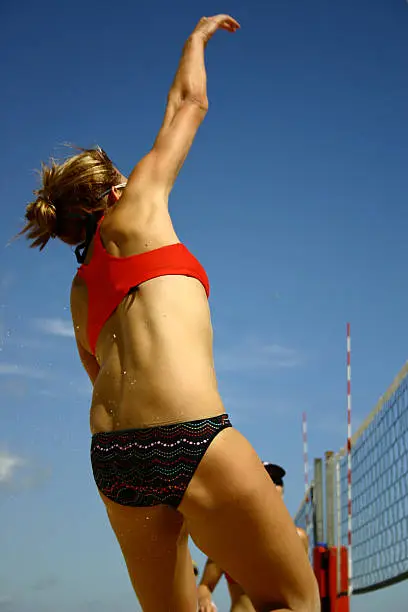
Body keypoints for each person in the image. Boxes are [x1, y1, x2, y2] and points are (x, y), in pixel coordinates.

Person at [20, 14, 319, 612]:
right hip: (192, 436)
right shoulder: (139, 205)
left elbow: (99, 380)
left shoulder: (79, 297)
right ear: (111, 193)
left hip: (114, 461)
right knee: (294, 601)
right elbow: (190, 102)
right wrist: (197, 39)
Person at [198, 464, 309, 612]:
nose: (271, 485)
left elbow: (306, 594)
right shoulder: (227, 541)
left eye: (276, 481)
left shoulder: (297, 539)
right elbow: (205, 586)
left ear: (282, 492)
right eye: (263, 480)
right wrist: (204, 600)